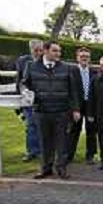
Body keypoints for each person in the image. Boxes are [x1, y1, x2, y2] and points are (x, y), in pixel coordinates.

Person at [23, 40, 81, 179]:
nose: (58, 54)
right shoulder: (31, 66)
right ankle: (45, 169)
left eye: (59, 51)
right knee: (44, 141)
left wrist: (76, 109)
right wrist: (24, 90)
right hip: (41, 111)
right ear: (45, 51)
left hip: (61, 111)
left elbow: (73, 91)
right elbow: (24, 83)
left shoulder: (67, 68)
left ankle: (61, 168)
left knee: (62, 142)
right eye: (55, 51)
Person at [67, 47, 97, 164]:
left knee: (91, 131)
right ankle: (69, 155)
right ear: (77, 58)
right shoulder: (71, 72)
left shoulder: (94, 73)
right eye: (82, 56)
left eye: (87, 57)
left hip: (90, 105)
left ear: (89, 59)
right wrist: (74, 109)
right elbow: (70, 91)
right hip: (77, 105)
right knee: (74, 130)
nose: (84, 58)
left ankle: (90, 156)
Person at [15, 39, 43, 161]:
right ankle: (32, 151)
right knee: (31, 125)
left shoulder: (46, 60)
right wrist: (23, 92)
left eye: (40, 50)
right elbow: (19, 80)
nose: (38, 53)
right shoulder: (22, 61)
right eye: (35, 50)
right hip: (28, 98)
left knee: (43, 126)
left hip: (43, 98)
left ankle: (43, 151)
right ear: (30, 49)